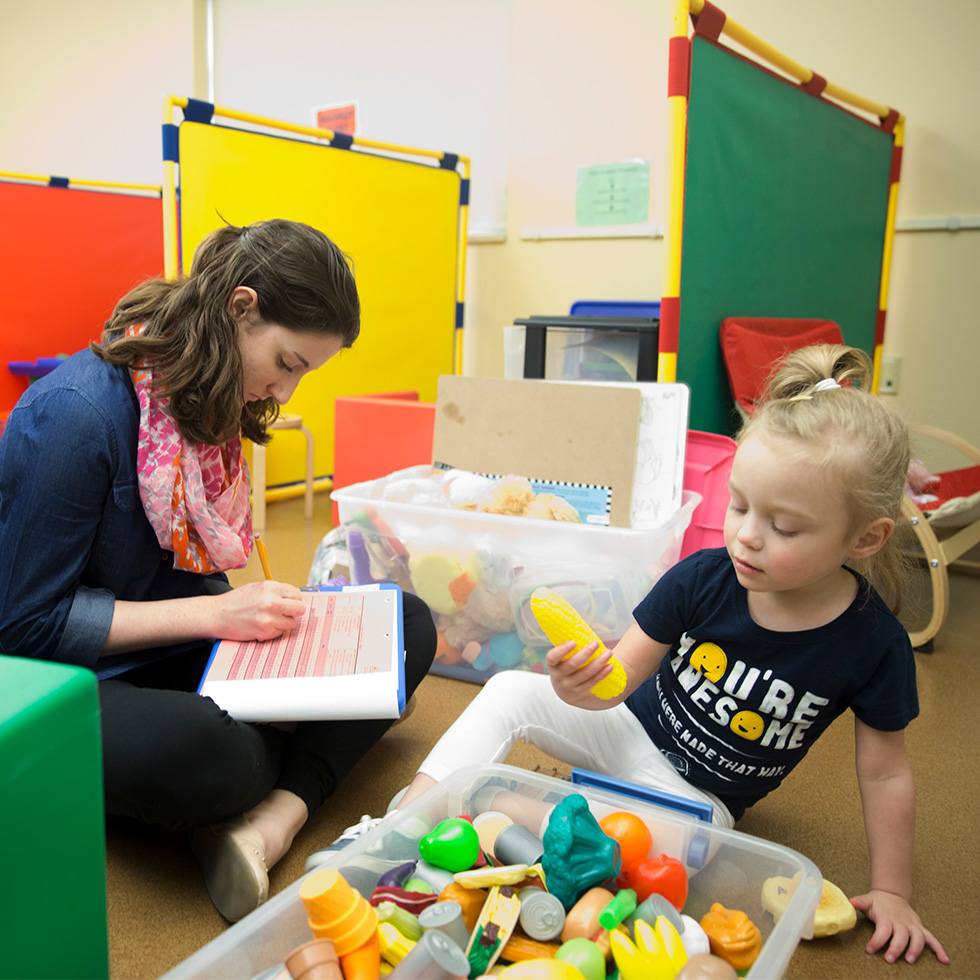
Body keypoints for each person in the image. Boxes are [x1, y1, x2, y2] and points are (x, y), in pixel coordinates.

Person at [376, 344, 948, 967]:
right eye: (739, 505)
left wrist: (893, 892)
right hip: (624, 727)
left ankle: (505, 804)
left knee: (672, 856)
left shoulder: (874, 642)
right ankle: (409, 814)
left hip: (696, 801)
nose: (747, 535)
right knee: (511, 691)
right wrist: (575, 686)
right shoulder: (704, 576)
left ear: (864, 538)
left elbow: (886, 772)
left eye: (784, 527)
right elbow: (615, 682)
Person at [0, 219, 436, 922]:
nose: (285, 393)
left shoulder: (208, 390)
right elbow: (23, 627)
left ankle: (276, 817)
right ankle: (298, 751)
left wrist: (275, 629)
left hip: (166, 647)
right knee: (212, 754)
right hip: (67, 675)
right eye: (288, 363)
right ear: (240, 308)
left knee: (402, 622)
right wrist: (217, 616)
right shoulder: (75, 415)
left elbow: (185, 569)